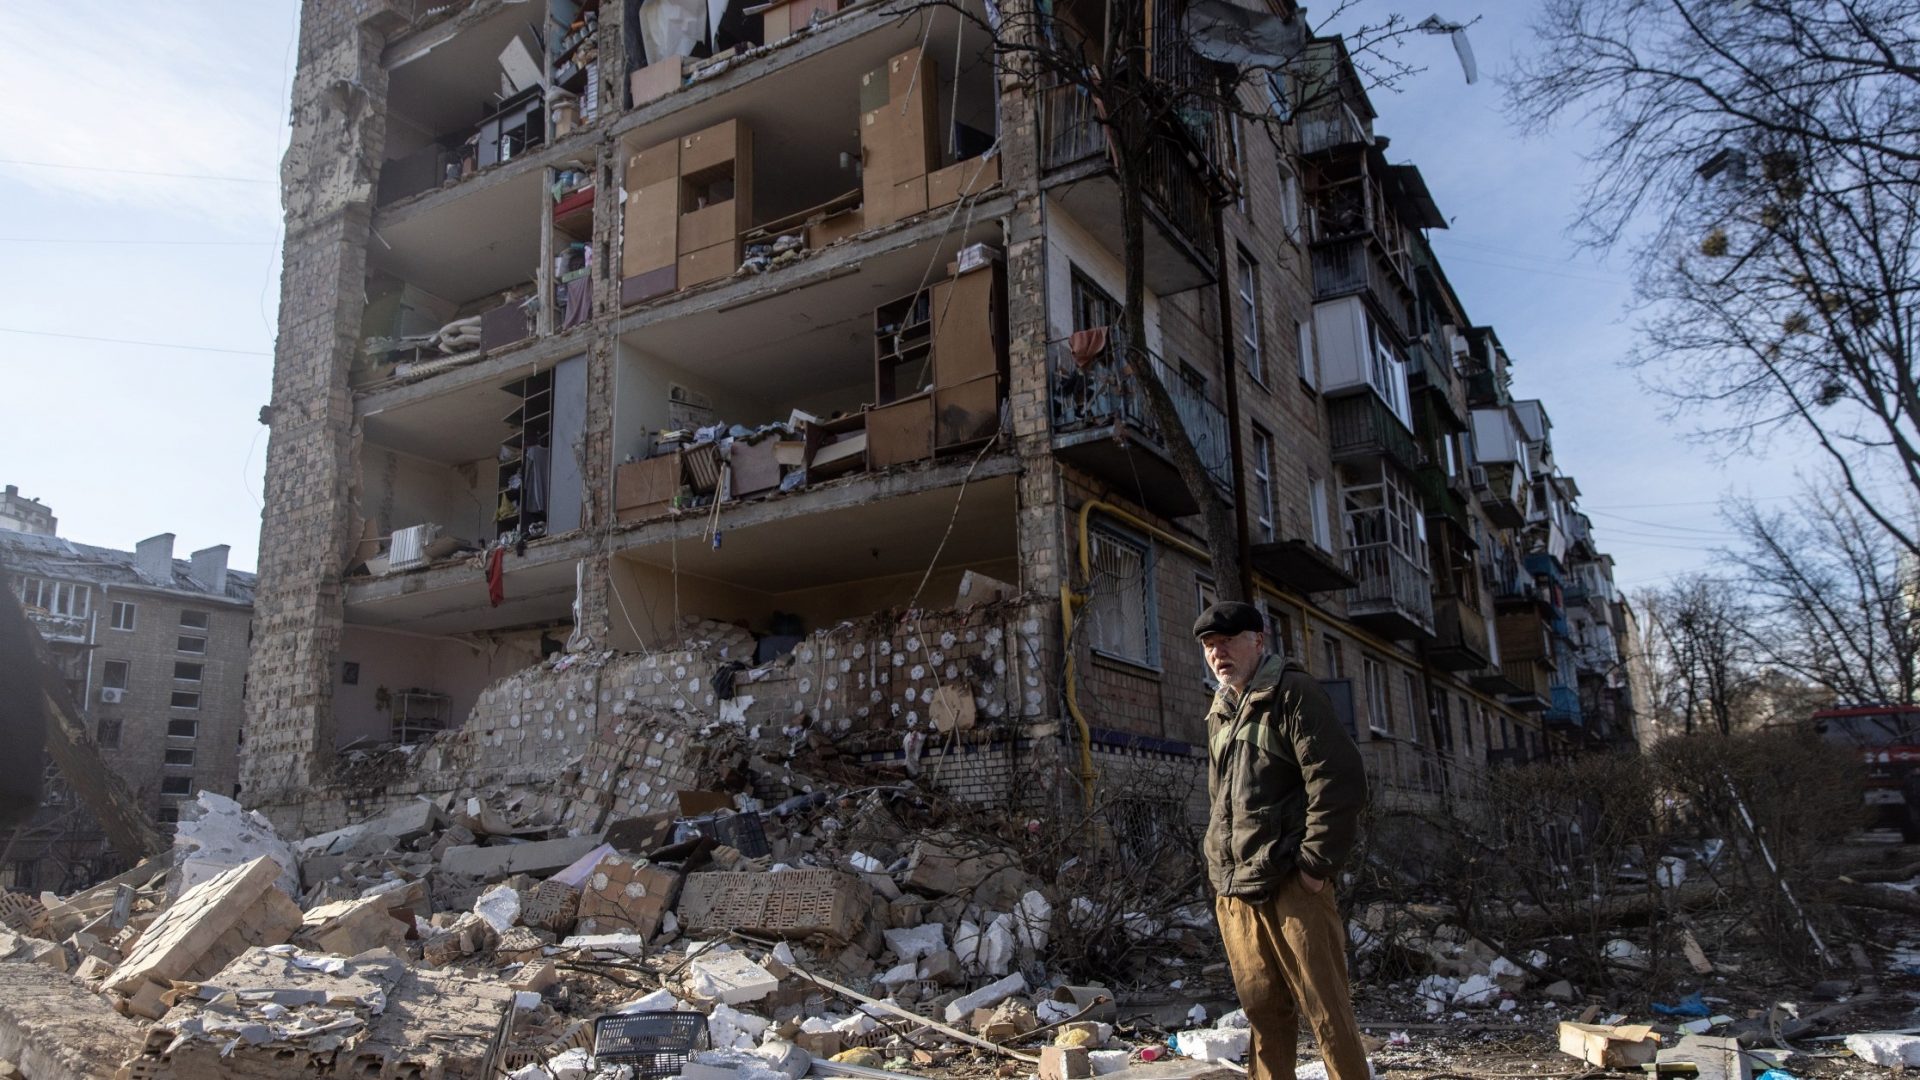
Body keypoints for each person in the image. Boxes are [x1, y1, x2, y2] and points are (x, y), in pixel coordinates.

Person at [1193, 600, 1369, 1080]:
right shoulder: (1220, 710)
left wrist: (1314, 867)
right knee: (1264, 1018)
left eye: (1227, 641)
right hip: (1237, 892)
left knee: (1327, 1015)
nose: (1218, 653)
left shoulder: (1292, 692)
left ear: (1259, 640)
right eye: (1210, 646)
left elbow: (1339, 780)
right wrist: (1220, 872)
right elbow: (1221, 803)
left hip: (1292, 884)